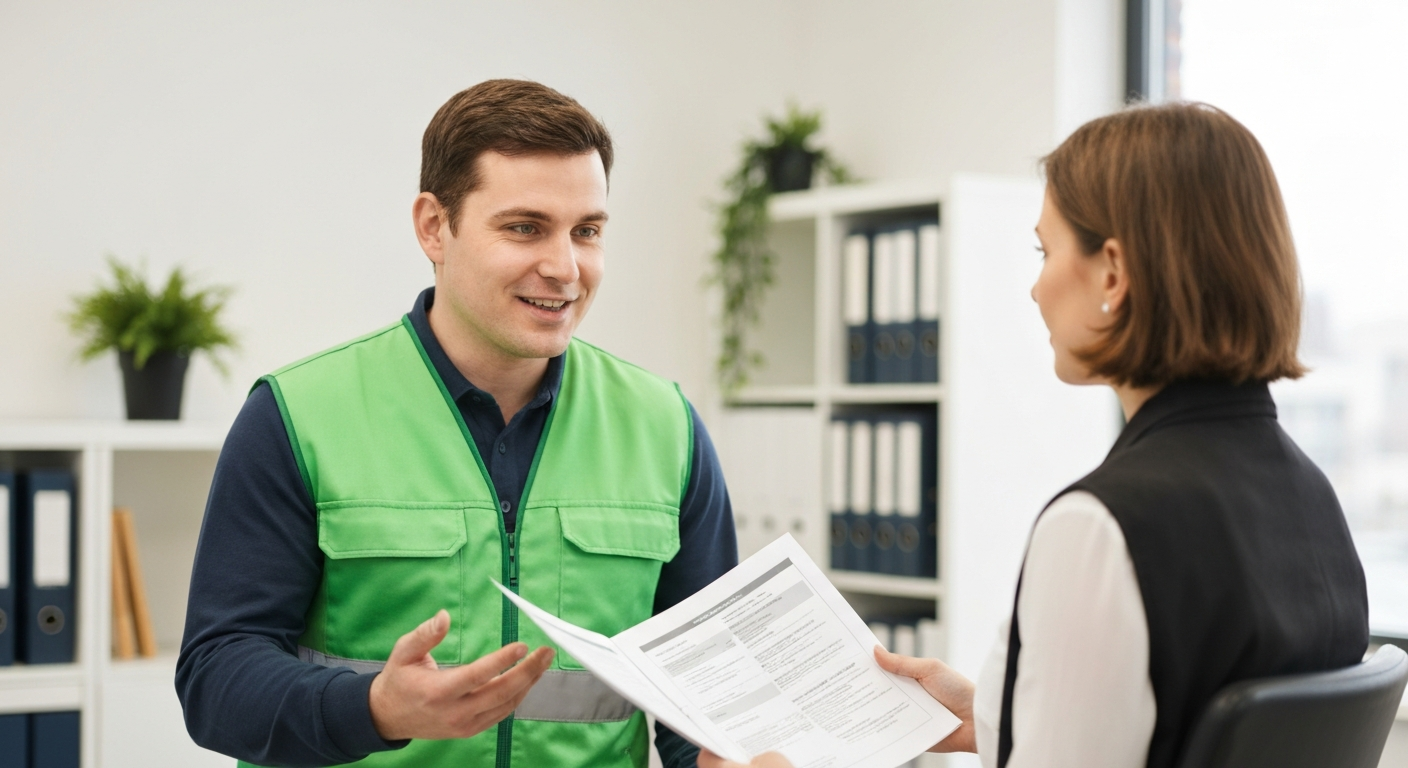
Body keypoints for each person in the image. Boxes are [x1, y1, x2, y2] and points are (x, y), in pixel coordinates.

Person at [699, 102, 1368, 768]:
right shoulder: (1312, 500)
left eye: (1045, 252)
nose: (1035, 289)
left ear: (1112, 272)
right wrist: (986, 715)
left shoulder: (1101, 529)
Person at [176, 79, 738, 768]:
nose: (565, 268)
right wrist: (374, 709)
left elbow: (702, 701)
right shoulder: (298, 415)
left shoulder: (665, 427)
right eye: (525, 227)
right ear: (434, 227)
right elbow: (216, 680)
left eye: (586, 232)